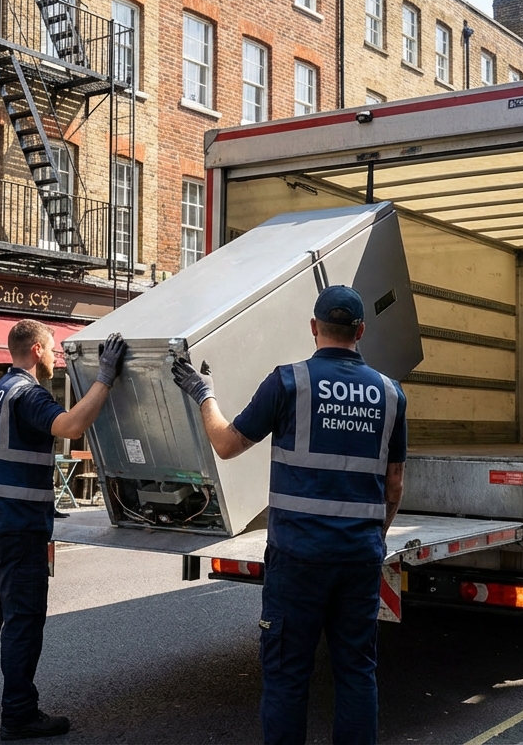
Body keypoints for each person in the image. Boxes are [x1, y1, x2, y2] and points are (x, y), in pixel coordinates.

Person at [172, 285, 407, 745]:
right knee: (357, 673)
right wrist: (372, 537)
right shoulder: (391, 394)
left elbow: (226, 443)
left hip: (296, 558)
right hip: (359, 556)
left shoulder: (288, 382)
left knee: (286, 676)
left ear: (314, 328)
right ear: (360, 330)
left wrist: (203, 394)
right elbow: (394, 485)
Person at [0, 320, 127, 740]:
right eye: (54, 347)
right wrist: (105, 379)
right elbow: (72, 426)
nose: (58, 355)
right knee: (23, 619)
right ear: (38, 350)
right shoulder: (29, 394)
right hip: (16, 524)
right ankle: (19, 713)